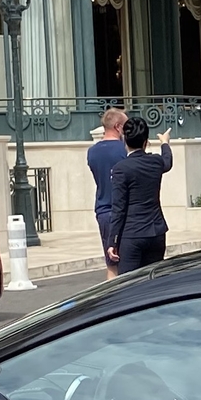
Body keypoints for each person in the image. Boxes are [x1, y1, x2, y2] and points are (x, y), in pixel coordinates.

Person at [106, 115, 174, 273]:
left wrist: (112, 241)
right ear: (146, 142)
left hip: (132, 235)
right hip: (156, 232)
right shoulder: (155, 162)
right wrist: (165, 143)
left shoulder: (121, 169)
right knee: (153, 281)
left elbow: (119, 208)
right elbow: (167, 161)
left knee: (129, 284)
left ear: (125, 140)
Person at [86, 106, 129, 277]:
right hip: (124, 210)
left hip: (103, 209)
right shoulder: (123, 150)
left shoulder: (92, 151)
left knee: (111, 263)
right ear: (118, 127)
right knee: (128, 261)